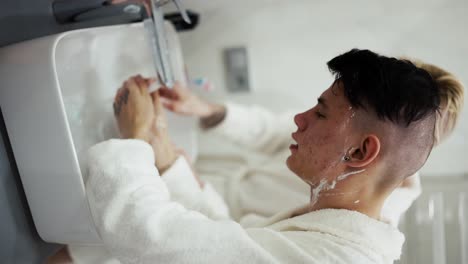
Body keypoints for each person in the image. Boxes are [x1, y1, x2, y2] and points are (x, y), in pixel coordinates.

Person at [82, 49, 440, 263]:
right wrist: (166, 159)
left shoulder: (329, 258)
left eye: (319, 113)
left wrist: (134, 142)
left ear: (361, 152)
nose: (298, 119)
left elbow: (150, 242)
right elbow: (221, 238)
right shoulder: (334, 223)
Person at [158, 58, 464, 226]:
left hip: (197, 210)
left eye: (320, 113)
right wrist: (206, 110)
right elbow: (269, 129)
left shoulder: (349, 211)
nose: (299, 120)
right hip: (197, 194)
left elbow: (229, 240)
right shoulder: (341, 152)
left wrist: (176, 172)